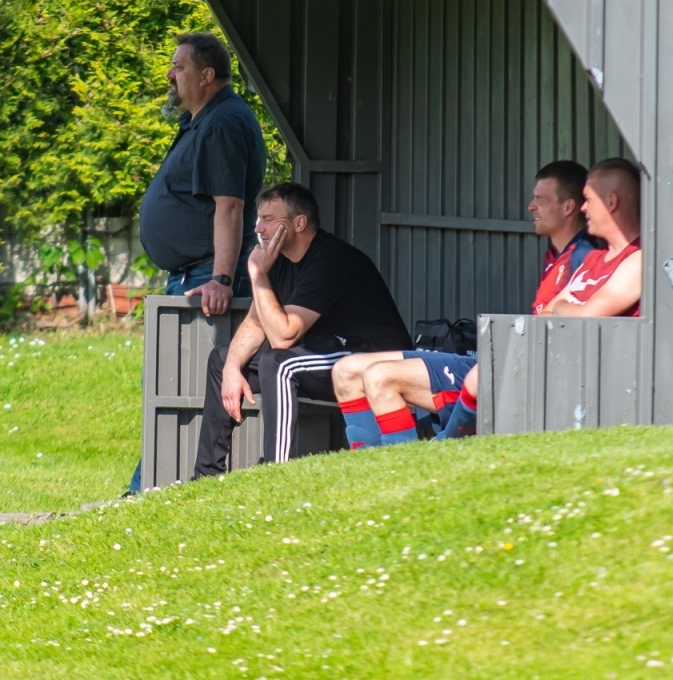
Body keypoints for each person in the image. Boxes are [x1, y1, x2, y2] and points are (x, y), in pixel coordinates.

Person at [332, 159, 599, 447]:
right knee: (345, 370)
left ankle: (399, 463)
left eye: (540, 199)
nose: (531, 206)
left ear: (568, 207)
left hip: (519, 372)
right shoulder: (556, 254)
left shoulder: (584, 255)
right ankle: (366, 462)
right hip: (495, 360)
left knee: (380, 376)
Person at [193, 182, 411, 478]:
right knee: (222, 359)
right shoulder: (278, 260)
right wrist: (232, 368)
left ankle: (276, 475)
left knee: (279, 363)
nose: (258, 228)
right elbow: (256, 323)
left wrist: (257, 274)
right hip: (329, 352)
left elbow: (284, 336)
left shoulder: (330, 259)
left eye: (268, 219)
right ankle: (205, 476)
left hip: (373, 360)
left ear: (299, 223)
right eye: (259, 219)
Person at [129, 32, 266, 494]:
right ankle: (147, 484)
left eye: (179, 66)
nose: (170, 74)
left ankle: (152, 488)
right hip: (196, 273)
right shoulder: (203, 119)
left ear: (207, 76)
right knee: (169, 384)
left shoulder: (223, 122)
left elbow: (230, 205)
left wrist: (222, 278)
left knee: (181, 383)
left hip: (206, 277)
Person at [435, 156, 643, 439]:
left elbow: (587, 315)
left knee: (480, 377)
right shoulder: (594, 258)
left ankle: (445, 443)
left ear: (611, 202)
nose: (582, 208)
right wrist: (569, 308)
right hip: (558, 361)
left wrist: (565, 306)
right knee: (477, 376)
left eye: (587, 200)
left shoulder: (639, 259)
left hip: (595, 378)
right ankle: (444, 442)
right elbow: (546, 314)